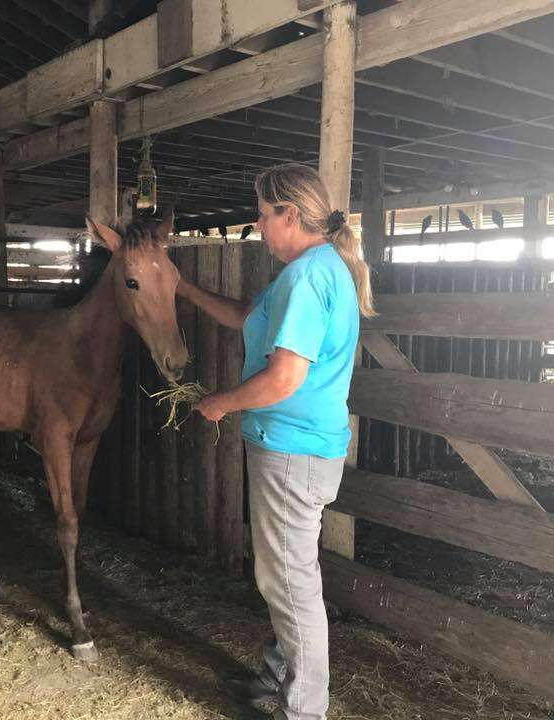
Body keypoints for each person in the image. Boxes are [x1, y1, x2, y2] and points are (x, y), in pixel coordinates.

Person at [177, 163, 376, 720]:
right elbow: (248, 316)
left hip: (293, 449)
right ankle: (278, 677)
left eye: (265, 216)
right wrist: (186, 289)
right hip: (302, 447)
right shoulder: (311, 270)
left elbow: (284, 377)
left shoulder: (310, 276)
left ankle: (302, 710)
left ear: (291, 214)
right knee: (287, 575)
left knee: (287, 582)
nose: (260, 226)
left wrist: (222, 401)